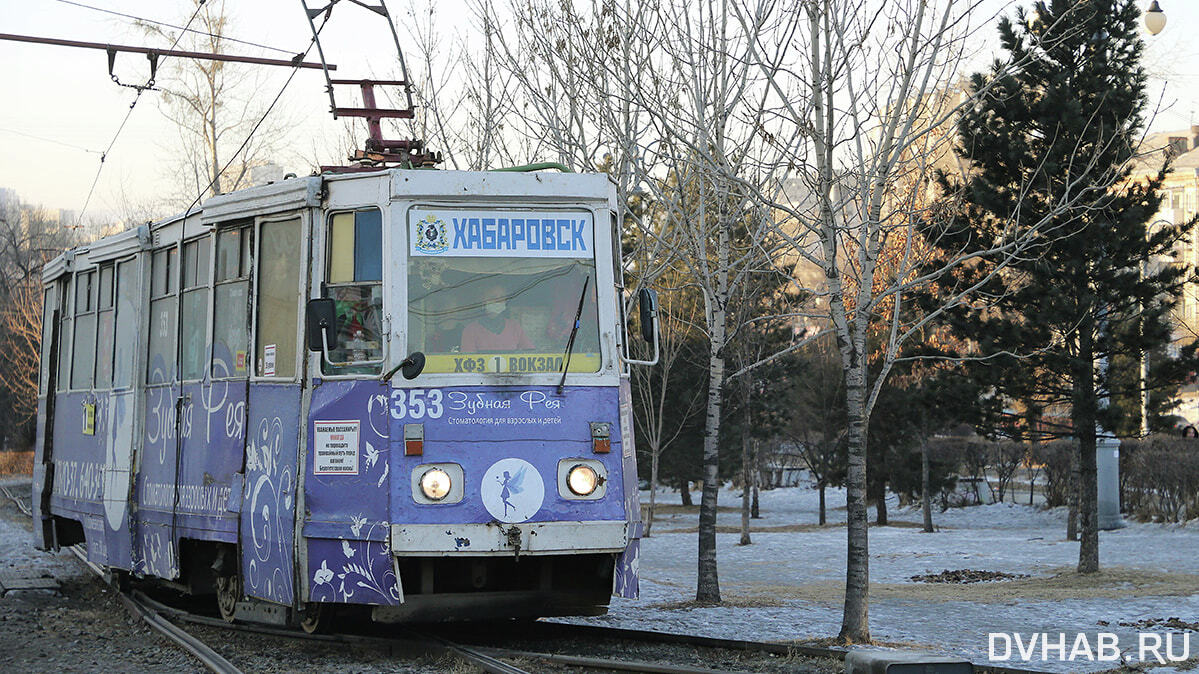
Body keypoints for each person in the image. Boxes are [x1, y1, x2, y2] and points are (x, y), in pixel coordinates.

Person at [461, 283, 533, 352]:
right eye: (493, 297)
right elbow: (467, 359)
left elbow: (530, 354)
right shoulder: (471, 330)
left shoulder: (514, 326)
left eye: (502, 297)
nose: (498, 301)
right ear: (483, 300)